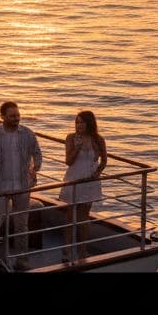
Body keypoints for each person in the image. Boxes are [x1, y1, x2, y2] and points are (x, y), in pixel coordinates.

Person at [0, 101, 44, 271]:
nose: (16, 119)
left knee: (22, 225)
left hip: (22, 185)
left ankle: (22, 260)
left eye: (18, 115)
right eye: (12, 116)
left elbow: (37, 153)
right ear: (3, 117)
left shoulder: (28, 134)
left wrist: (36, 167)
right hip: (0, 187)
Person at [59, 110, 107, 263]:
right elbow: (68, 161)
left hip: (90, 181)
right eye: (76, 122)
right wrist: (78, 147)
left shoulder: (98, 139)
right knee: (69, 216)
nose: (78, 125)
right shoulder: (71, 138)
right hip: (74, 178)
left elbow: (104, 161)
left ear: (89, 123)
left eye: (81, 122)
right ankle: (66, 249)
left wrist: (97, 173)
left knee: (83, 217)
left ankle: (82, 250)